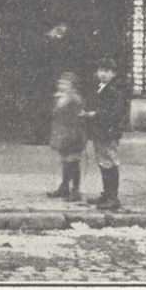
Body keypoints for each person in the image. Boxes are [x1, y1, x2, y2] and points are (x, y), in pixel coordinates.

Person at [83, 55, 126, 210]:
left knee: (110, 162)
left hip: (109, 131)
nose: (103, 74)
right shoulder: (101, 88)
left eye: (107, 71)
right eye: (101, 70)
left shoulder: (114, 90)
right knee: (103, 161)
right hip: (100, 130)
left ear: (114, 74)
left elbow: (114, 112)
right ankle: (107, 194)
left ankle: (113, 197)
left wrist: (95, 114)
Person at [47, 71, 86, 201]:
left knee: (73, 161)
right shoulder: (60, 97)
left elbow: (77, 118)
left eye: (66, 83)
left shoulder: (75, 99)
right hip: (62, 134)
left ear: (73, 86)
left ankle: (75, 190)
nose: (62, 85)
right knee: (65, 161)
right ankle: (64, 187)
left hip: (73, 134)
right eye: (61, 82)